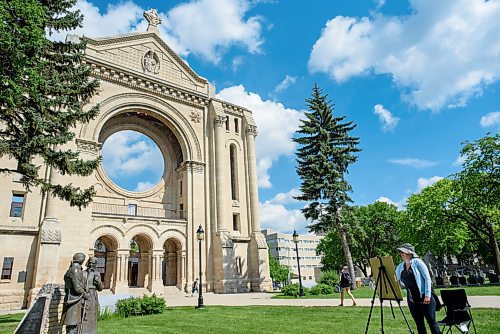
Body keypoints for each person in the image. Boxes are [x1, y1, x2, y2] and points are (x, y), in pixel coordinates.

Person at [395, 243, 441, 334]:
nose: (401, 254)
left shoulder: (418, 262)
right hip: (412, 298)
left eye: (403, 252)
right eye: (401, 252)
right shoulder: (400, 266)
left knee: (431, 322)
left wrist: (427, 295)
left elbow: (427, 278)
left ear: (410, 252)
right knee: (419, 324)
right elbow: (396, 280)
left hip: (424, 296)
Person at [61, 253, 88, 334]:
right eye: (83, 258)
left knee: (73, 325)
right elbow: (77, 288)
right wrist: (85, 294)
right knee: (72, 325)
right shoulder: (75, 270)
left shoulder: (73, 269)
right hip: (74, 300)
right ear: (80, 260)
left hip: (73, 299)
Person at [82, 257, 104, 334]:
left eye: (94, 263)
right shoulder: (83, 273)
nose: (92, 264)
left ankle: (92, 331)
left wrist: (98, 282)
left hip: (93, 295)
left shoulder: (97, 274)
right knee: (84, 314)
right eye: (90, 262)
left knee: (92, 314)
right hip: (85, 294)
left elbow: (100, 288)